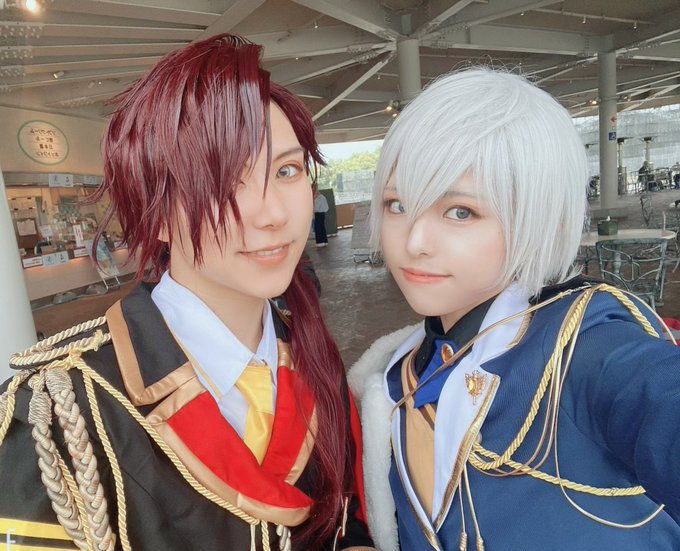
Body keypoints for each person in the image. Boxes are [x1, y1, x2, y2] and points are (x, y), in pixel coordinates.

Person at [0, 34, 374, 551]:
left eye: (287, 170)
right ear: (157, 216)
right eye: (224, 182)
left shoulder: (314, 358)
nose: (273, 213)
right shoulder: (58, 415)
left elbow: (345, 518)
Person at [347, 68, 680, 551]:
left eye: (460, 212)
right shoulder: (399, 369)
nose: (413, 242)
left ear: (544, 216)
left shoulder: (584, 348)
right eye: (397, 205)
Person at [313, 183, 330, 247]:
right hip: (322, 214)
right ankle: (325, 241)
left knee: (318, 228)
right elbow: (326, 208)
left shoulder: (318, 198)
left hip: (318, 214)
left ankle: (320, 242)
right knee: (322, 228)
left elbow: (316, 208)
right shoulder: (322, 197)